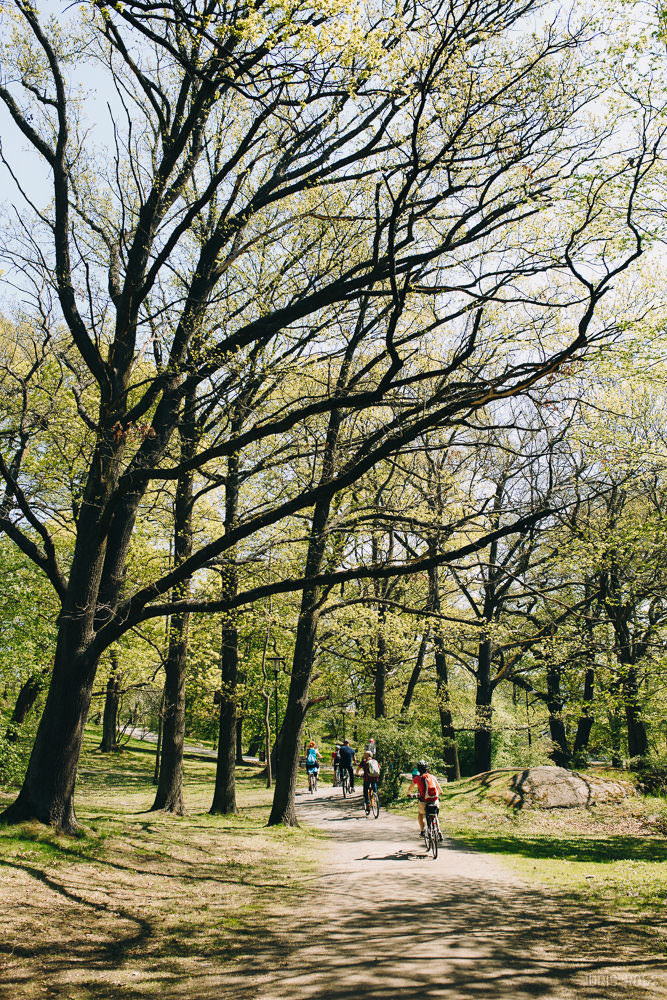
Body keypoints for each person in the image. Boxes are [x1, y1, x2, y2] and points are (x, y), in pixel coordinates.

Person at [407, 759, 443, 840]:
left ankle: (422, 831)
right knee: (435, 814)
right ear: (427, 768)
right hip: (434, 801)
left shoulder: (417, 778)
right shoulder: (432, 777)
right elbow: (440, 790)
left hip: (424, 802)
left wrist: (409, 794)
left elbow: (410, 788)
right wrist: (439, 793)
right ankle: (438, 829)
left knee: (420, 814)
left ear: (419, 769)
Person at [357, 749, 381, 814]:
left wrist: (357, 774)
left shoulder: (364, 761)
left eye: (365, 754)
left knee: (365, 790)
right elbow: (379, 768)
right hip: (375, 778)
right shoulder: (375, 761)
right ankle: (375, 796)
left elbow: (358, 768)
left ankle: (367, 804)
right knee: (374, 786)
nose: (364, 755)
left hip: (367, 778)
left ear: (366, 755)